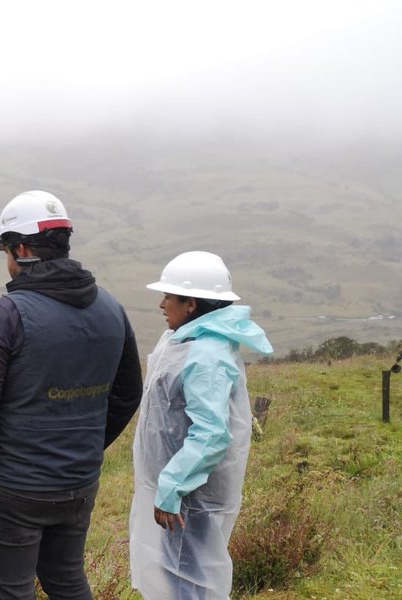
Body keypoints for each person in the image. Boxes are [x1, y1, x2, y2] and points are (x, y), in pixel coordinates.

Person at [0, 190, 144, 600]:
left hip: (12, 488)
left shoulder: (6, 313)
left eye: (6, 252)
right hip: (79, 481)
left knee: (10, 591)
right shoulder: (112, 308)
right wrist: (83, 446)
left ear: (20, 249)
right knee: (67, 582)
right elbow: (128, 394)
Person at [129, 251, 273, 599]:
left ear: (191, 304)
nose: (162, 304)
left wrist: (173, 486)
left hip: (192, 493)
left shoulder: (205, 355)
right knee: (176, 574)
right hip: (181, 487)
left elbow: (211, 434)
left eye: (169, 296)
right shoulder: (187, 340)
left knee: (190, 580)